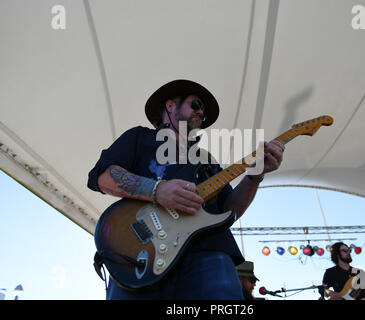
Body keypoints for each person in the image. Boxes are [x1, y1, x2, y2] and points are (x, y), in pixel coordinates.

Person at [87, 79, 285, 300]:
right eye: (196, 104)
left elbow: (230, 209)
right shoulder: (140, 138)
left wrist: (255, 176)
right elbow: (103, 177)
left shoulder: (207, 160)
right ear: (170, 106)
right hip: (142, 254)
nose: (201, 112)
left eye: (204, 113)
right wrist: (157, 190)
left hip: (207, 254)